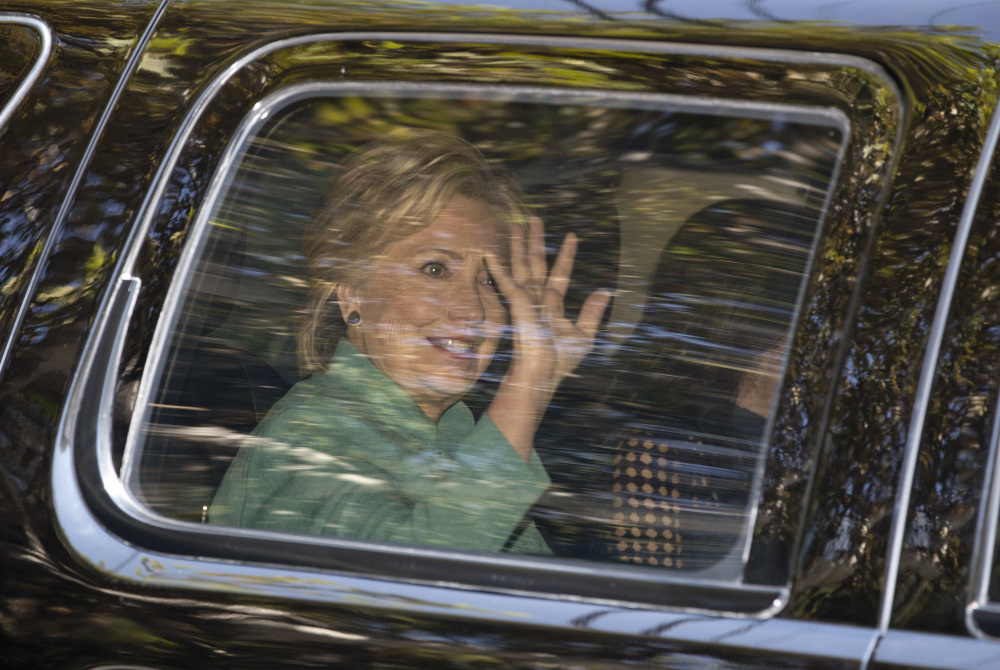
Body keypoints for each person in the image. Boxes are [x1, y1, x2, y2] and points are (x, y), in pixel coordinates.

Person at [209, 130, 611, 554]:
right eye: (435, 270)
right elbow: (418, 571)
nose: (474, 309)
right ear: (352, 295)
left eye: (490, 280)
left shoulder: (457, 433)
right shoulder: (307, 437)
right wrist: (528, 384)